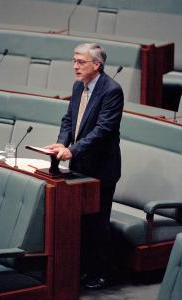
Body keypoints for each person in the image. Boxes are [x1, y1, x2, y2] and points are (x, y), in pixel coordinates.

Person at [45, 43, 124, 289]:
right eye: (74, 61)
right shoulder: (78, 86)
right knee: (81, 221)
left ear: (96, 65)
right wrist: (60, 144)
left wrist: (73, 150)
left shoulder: (112, 90)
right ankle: (83, 269)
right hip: (80, 165)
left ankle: (101, 273)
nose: (75, 66)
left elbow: (103, 130)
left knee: (98, 222)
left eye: (80, 62)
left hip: (102, 168)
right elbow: (69, 119)